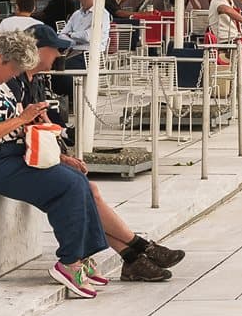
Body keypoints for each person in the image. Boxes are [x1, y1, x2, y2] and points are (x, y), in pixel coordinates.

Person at [0, 32, 112, 297]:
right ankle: (69, 262)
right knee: (67, 186)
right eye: (13, 68)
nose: (15, 75)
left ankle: (82, 255)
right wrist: (22, 119)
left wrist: (59, 156)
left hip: (4, 154)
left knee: (76, 179)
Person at [16, 40, 184, 281]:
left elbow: (44, 128)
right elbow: (24, 130)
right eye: (55, 49)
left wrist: (61, 153)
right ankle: (139, 248)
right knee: (84, 191)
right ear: (39, 51)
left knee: (87, 190)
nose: (59, 55)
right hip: (27, 158)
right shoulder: (18, 84)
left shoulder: (36, 83)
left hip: (41, 154)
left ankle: (134, 256)